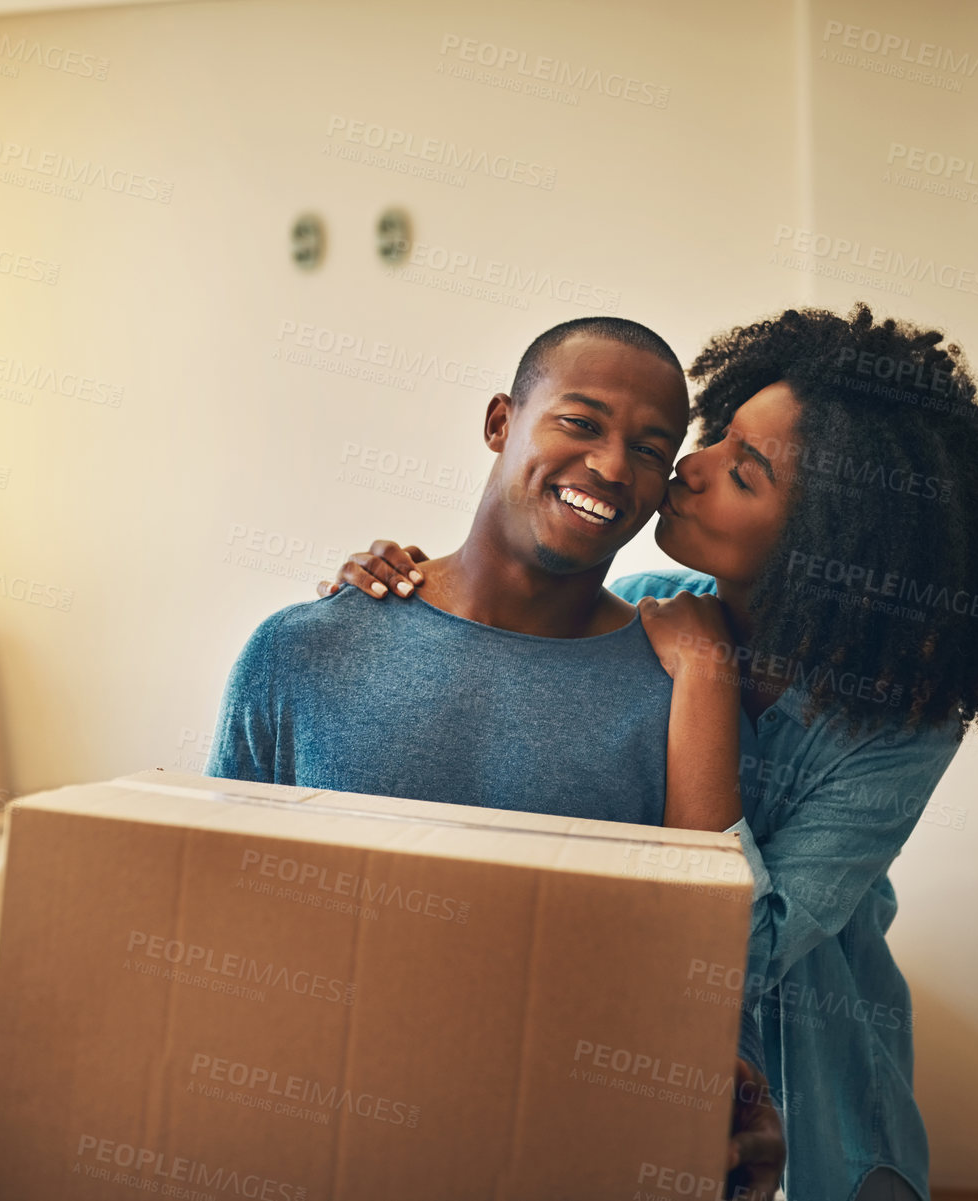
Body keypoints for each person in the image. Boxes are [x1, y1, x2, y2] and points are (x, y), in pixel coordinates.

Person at [320, 304, 978, 1201]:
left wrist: (706, 683)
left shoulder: (901, 724)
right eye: (719, 440)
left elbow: (732, 951)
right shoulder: (639, 603)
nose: (687, 467)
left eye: (741, 474)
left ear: (819, 552)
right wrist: (390, 591)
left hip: (816, 1081)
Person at [205, 316, 785, 1199]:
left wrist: (732, 1106)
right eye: (581, 423)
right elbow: (219, 934)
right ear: (499, 422)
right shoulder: (300, 652)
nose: (609, 465)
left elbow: (694, 978)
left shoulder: (679, 698)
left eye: (648, 448)